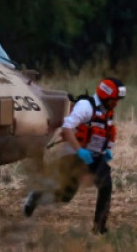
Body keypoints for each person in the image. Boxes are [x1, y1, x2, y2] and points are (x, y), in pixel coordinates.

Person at [22, 77, 126, 235]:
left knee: (106, 185)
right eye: (114, 100)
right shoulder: (85, 107)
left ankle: (99, 227)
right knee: (64, 197)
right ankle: (37, 195)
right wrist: (80, 151)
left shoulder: (107, 112)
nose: (116, 103)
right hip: (73, 156)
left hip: (95, 157)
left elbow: (104, 134)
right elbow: (67, 129)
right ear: (105, 96)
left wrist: (105, 152)